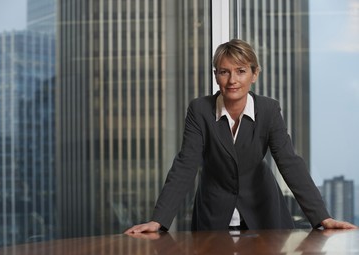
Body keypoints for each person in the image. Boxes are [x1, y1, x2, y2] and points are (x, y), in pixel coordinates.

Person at [125, 39, 357, 234]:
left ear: (255, 74)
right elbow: (185, 164)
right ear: (216, 76)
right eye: (224, 72)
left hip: (263, 209)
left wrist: (322, 218)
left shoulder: (268, 110)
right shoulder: (200, 110)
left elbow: (288, 161)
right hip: (214, 212)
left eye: (241, 71)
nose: (232, 80)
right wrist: (159, 220)